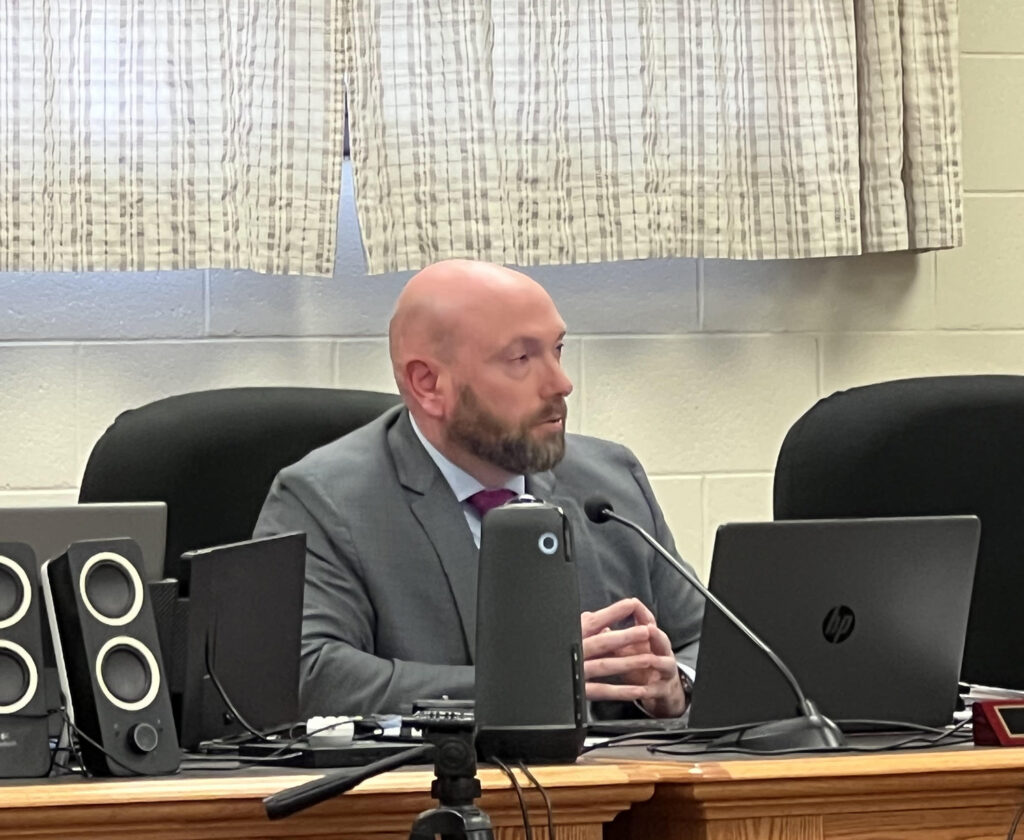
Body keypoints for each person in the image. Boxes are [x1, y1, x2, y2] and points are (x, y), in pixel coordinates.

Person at [255, 259, 704, 718]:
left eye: (558, 350)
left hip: (612, 766)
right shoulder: (325, 501)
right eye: (521, 359)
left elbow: (708, 639)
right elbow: (309, 675)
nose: (561, 383)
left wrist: (677, 686)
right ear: (428, 384)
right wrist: (521, 683)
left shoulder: (610, 482)